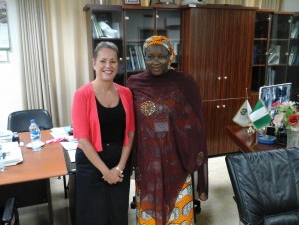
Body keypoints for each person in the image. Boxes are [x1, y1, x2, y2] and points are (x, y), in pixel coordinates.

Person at [126, 35, 208, 225]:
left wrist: (178, 127)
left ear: (171, 56)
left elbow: (196, 121)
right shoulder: (134, 83)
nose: (155, 62)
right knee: (150, 215)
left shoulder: (184, 82)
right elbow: (128, 121)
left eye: (161, 56)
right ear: (143, 57)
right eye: (150, 56)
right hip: (147, 161)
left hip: (177, 158)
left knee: (177, 215)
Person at [71, 41, 135, 225]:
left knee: (117, 213)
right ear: (94, 63)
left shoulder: (126, 93)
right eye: (103, 61)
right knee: (93, 215)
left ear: (118, 64)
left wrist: (120, 167)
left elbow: (130, 132)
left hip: (119, 162)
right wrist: (105, 172)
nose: (108, 66)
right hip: (91, 163)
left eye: (113, 61)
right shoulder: (82, 94)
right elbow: (82, 139)